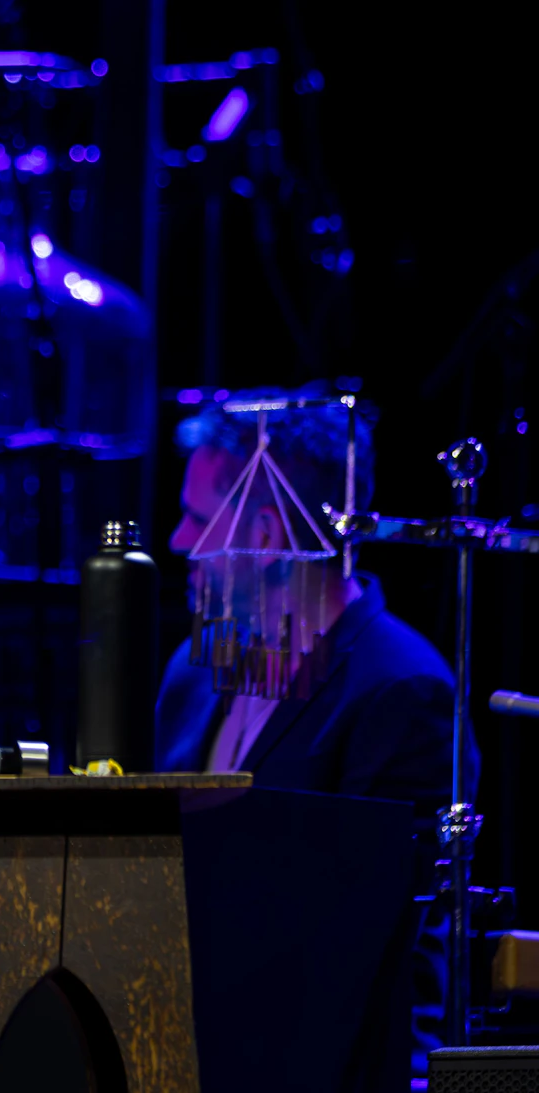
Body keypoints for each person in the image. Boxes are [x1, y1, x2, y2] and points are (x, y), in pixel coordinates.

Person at [155, 388, 477, 1067]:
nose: (179, 541)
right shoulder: (191, 669)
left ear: (268, 536)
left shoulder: (401, 690)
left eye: (196, 518)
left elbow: (398, 955)